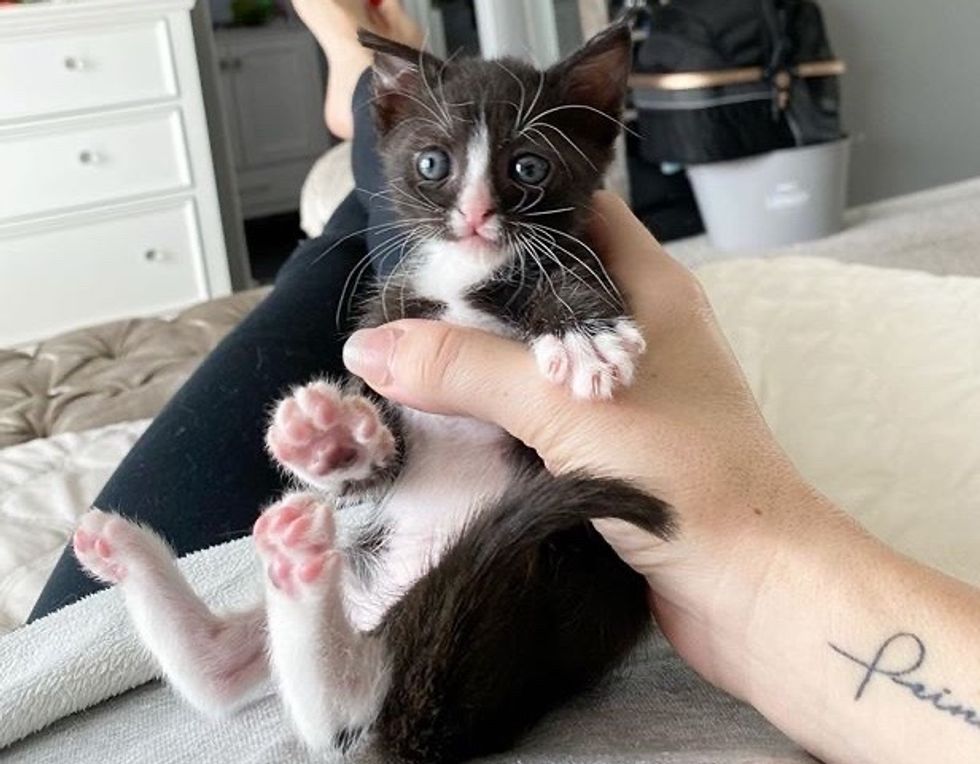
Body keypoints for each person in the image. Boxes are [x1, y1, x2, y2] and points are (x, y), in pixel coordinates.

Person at [32, 2, 980, 763]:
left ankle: (372, 97)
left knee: (357, 241)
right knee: (381, 251)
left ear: (591, 133)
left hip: (380, 647)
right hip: (396, 570)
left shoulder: (524, 262)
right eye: (446, 169)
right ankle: (380, 91)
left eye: (527, 166)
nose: (480, 211)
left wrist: (574, 316)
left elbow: (561, 283)